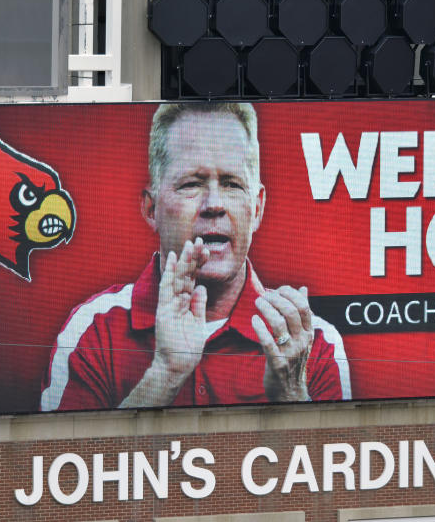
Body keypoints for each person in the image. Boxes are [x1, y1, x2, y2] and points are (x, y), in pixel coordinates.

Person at [40, 102, 351, 410]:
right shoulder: (93, 330)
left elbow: (336, 459)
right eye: (191, 184)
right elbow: (67, 460)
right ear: (152, 209)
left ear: (256, 209)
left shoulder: (314, 344)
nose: (214, 204)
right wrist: (164, 375)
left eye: (232, 184)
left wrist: (292, 398)